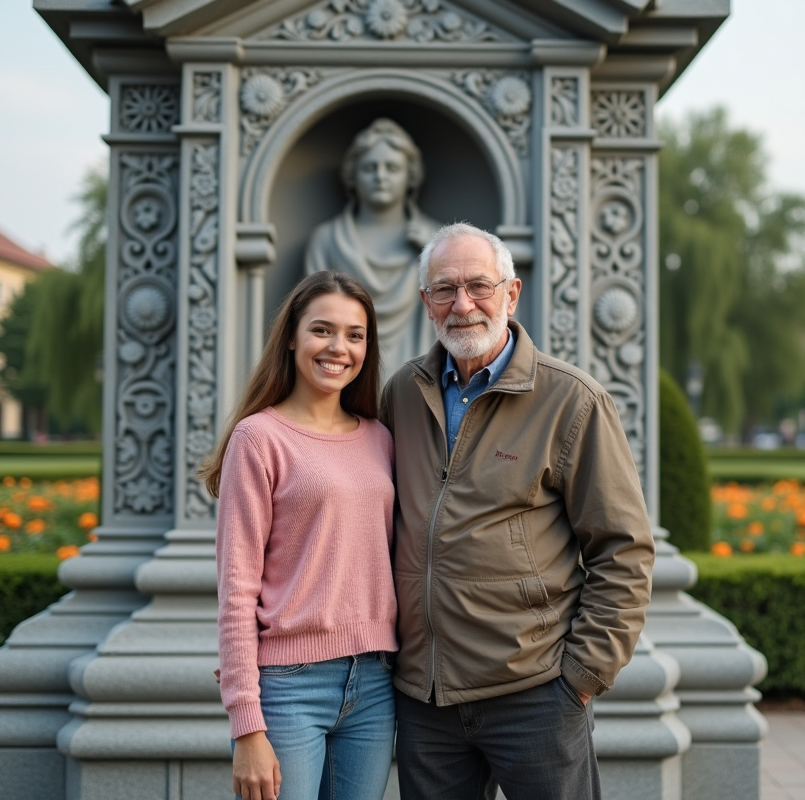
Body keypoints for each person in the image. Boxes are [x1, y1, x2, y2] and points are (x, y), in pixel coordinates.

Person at [379, 222, 656, 800]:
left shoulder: (572, 400)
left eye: (479, 285)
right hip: (425, 701)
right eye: (445, 289)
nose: (463, 305)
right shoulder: (401, 394)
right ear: (426, 301)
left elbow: (622, 549)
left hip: (535, 693)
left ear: (512, 293)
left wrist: (582, 677)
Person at [203, 271, 398, 800]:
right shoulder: (259, 438)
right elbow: (237, 587)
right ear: (291, 336)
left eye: (355, 335)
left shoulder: (381, 438)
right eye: (322, 330)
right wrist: (247, 724)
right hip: (288, 687)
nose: (339, 348)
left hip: (376, 683)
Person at [305, 118, 440, 378]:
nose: (380, 177)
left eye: (391, 168)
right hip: (341, 370)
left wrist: (433, 255)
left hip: (419, 378)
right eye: (369, 168)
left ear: (410, 175)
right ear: (352, 175)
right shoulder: (328, 239)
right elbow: (312, 315)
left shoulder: (436, 242)